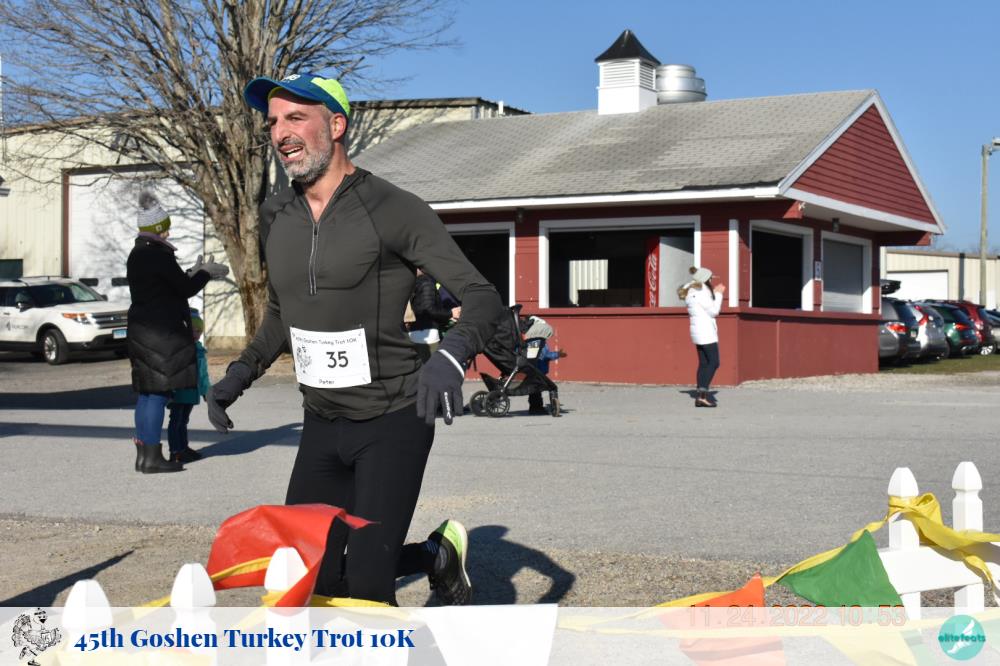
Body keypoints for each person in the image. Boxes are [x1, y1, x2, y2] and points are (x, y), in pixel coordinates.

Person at [207, 73, 504, 606]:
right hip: (322, 420)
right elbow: (281, 312)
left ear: (336, 125)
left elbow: (481, 295)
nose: (280, 133)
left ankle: (400, 583)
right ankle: (435, 555)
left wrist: (451, 356)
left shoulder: (392, 208)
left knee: (367, 588)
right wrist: (239, 374)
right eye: (273, 122)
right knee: (311, 577)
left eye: (296, 118)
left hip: (392, 418)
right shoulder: (276, 214)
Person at [127, 192, 228, 473]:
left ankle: (145, 456)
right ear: (157, 228)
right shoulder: (157, 254)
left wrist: (191, 271)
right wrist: (204, 273)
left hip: (142, 330)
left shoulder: (138, 253)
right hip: (161, 333)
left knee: (148, 393)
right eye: (165, 228)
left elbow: (166, 285)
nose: (168, 232)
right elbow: (184, 289)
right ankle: (153, 458)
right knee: (159, 394)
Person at [167, 308, 210, 463]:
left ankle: (183, 447)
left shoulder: (199, 349)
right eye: (192, 330)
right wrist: (169, 389)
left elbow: (203, 373)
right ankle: (175, 451)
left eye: (199, 331)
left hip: (192, 390)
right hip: (179, 390)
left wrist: (205, 391)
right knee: (176, 420)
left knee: (184, 420)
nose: (196, 334)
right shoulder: (177, 348)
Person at [679, 266, 725, 408]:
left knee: (704, 363)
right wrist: (718, 294)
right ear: (706, 279)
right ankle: (702, 397)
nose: (712, 281)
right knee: (714, 362)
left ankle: (701, 395)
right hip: (706, 331)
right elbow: (714, 311)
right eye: (711, 279)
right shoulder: (701, 292)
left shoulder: (692, 291)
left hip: (697, 331)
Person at [409, 269, 461, 363]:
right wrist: (451, 313)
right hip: (426, 335)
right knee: (431, 367)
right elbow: (428, 309)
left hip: (418, 332)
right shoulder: (427, 283)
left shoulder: (418, 282)